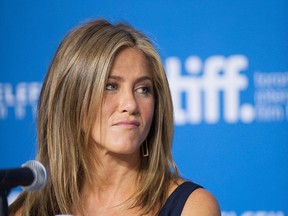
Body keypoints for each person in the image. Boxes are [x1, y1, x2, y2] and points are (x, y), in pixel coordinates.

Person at [9, 19, 220, 216]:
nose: (130, 105)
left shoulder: (192, 207)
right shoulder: (27, 211)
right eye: (110, 86)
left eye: (143, 89)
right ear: (72, 99)